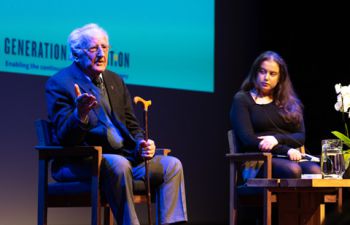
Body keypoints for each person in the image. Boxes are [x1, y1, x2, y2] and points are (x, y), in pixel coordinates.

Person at [45, 23, 187, 225]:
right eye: (94, 49)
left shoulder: (115, 80)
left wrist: (141, 143)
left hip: (124, 158)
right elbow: (64, 137)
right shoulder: (60, 83)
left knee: (172, 165)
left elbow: (131, 124)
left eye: (105, 47)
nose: (102, 54)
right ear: (77, 53)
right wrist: (80, 114)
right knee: (119, 164)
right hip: (83, 162)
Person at [230, 50, 321, 178]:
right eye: (262, 71)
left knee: (315, 171)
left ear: (280, 78)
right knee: (292, 170)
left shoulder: (289, 103)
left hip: (287, 157)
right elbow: (247, 140)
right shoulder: (242, 99)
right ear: (255, 72)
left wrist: (276, 139)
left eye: (272, 74)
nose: (266, 77)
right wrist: (285, 149)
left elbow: (300, 136)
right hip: (255, 162)